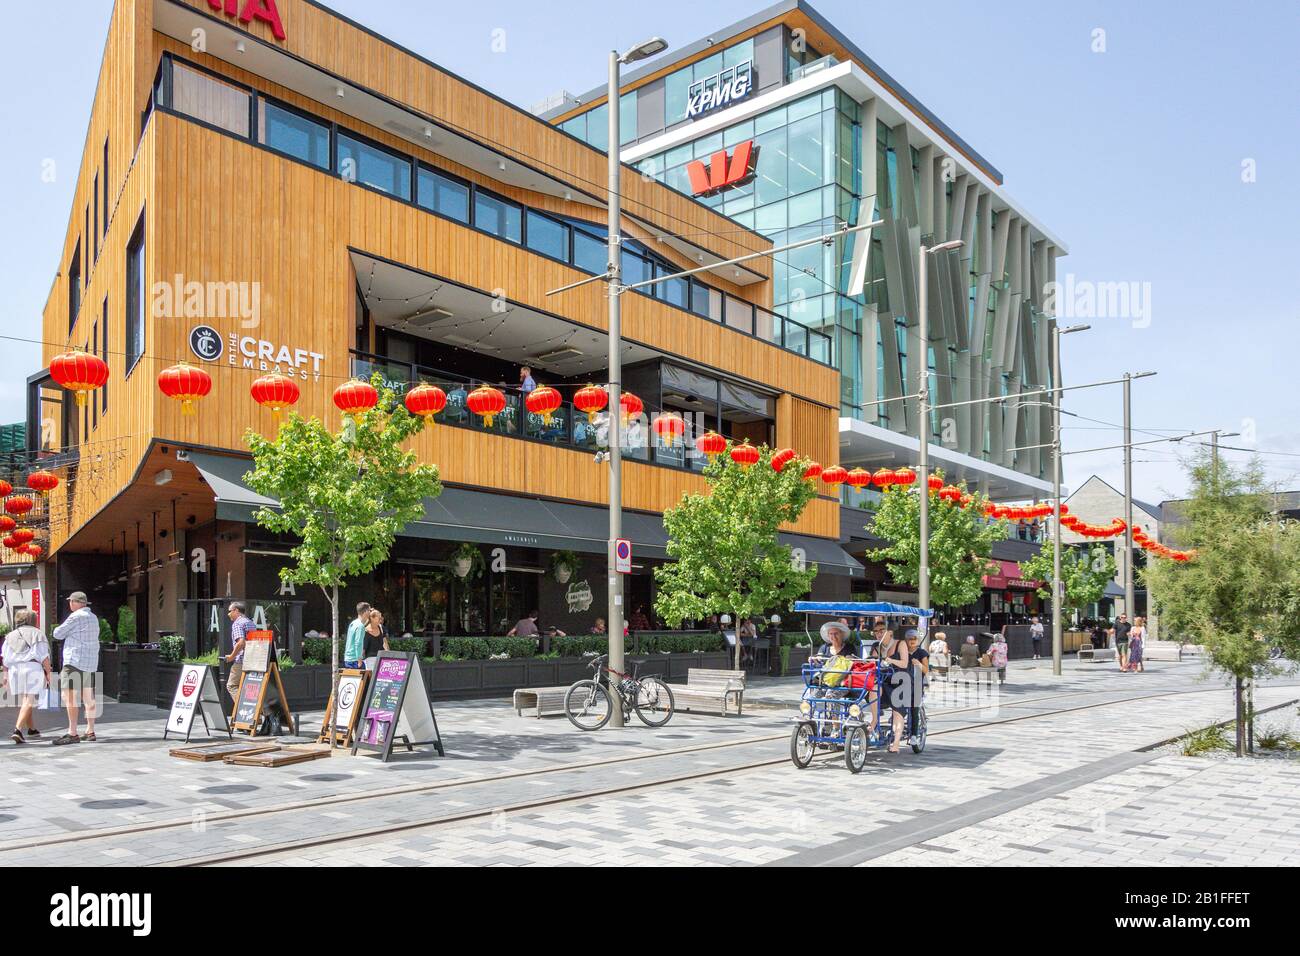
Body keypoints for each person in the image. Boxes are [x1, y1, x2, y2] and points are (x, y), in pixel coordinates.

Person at [52, 592, 102, 746]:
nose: (70, 604)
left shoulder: (76, 616)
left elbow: (57, 633)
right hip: (89, 662)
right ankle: (90, 730)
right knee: (88, 697)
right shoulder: (93, 617)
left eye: (71, 601)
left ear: (76, 602)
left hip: (74, 661)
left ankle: (72, 732)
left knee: (70, 697)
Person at [3, 610, 51, 744]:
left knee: (25, 699)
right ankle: (17, 730)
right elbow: (44, 657)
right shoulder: (38, 634)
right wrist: (48, 673)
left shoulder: (10, 636)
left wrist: (5, 675)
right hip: (32, 668)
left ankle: (32, 729)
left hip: (15, 669)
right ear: (33, 620)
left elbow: (5, 658)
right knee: (29, 700)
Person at [879, 629, 911, 753]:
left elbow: (904, 663)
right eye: (876, 631)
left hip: (900, 681)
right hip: (884, 681)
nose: (878, 634)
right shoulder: (877, 646)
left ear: (890, 632)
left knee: (897, 711)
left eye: (881, 631)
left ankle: (896, 743)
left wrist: (891, 660)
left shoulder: (900, 644)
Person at [223, 601, 255, 712]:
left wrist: (231, 656)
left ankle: (246, 710)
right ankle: (255, 715)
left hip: (241, 661)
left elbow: (241, 642)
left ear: (236, 610)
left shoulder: (237, 623)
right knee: (249, 688)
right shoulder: (250, 622)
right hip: (253, 660)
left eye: (230, 611)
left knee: (231, 685)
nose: (228, 614)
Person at [343, 601, 370, 669]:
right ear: (366, 612)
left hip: (348, 659)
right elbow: (358, 643)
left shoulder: (353, 623)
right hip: (355, 661)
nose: (370, 612)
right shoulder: (360, 626)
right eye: (369, 610)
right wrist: (359, 660)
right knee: (366, 679)